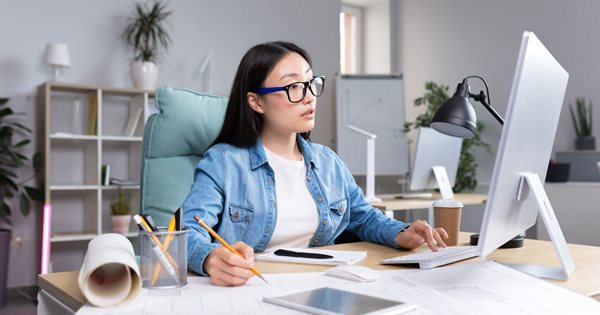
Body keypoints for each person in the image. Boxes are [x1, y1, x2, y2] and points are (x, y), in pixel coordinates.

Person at [183, 41, 448, 286]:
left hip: (322, 283)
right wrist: (209, 258)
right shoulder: (224, 162)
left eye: (311, 83)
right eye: (294, 87)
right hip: (250, 288)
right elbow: (187, 232)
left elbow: (364, 217)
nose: (310, 97)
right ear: (256, 101)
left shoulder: (327, 162)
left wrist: (402, 233)